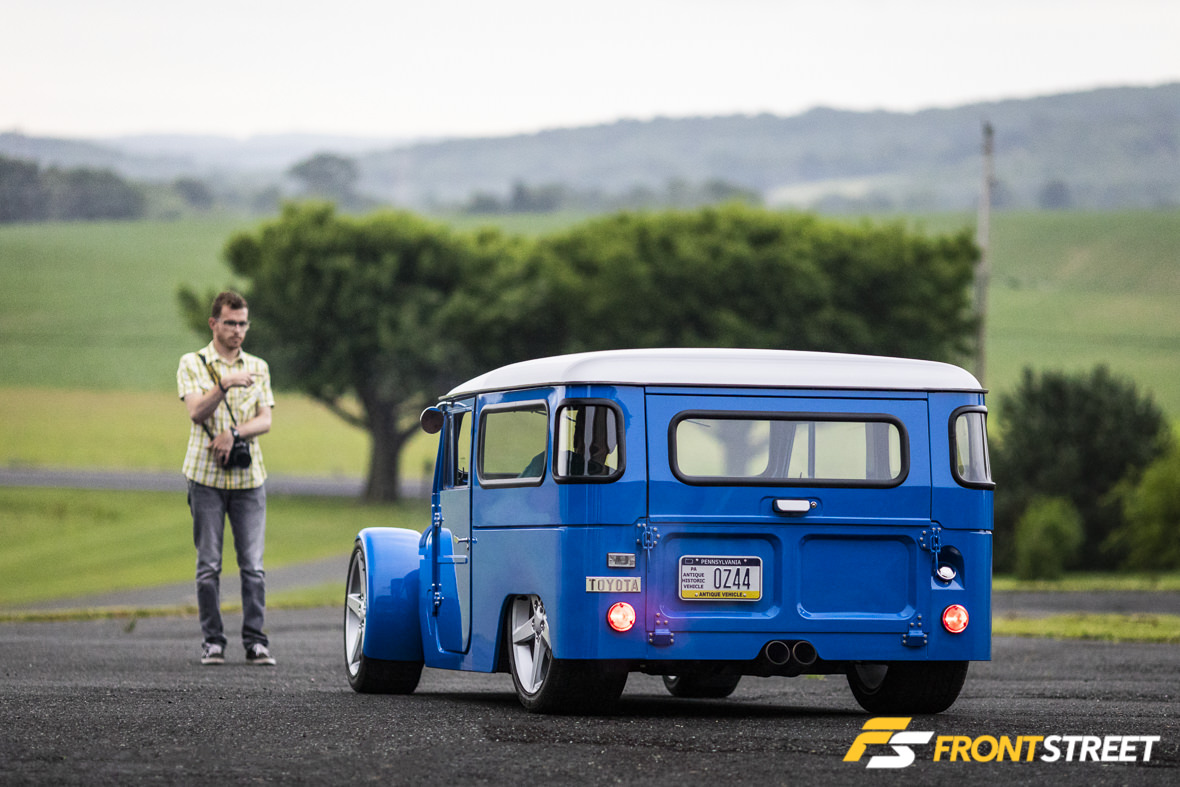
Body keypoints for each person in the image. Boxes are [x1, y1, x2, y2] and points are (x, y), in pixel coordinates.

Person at [177, 291, 276, 666]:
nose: (238, 330)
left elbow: (265, 420)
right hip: (205, 478)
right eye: (230, 323)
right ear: (213, 323)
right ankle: (213, 641)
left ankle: (256, 642)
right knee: (208, 567)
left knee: (253, 567)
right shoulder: (193, 363)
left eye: (243, 323)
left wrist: (233, 434)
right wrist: (225, 384)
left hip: (249, 480)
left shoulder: (259, 366)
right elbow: (196, 412)